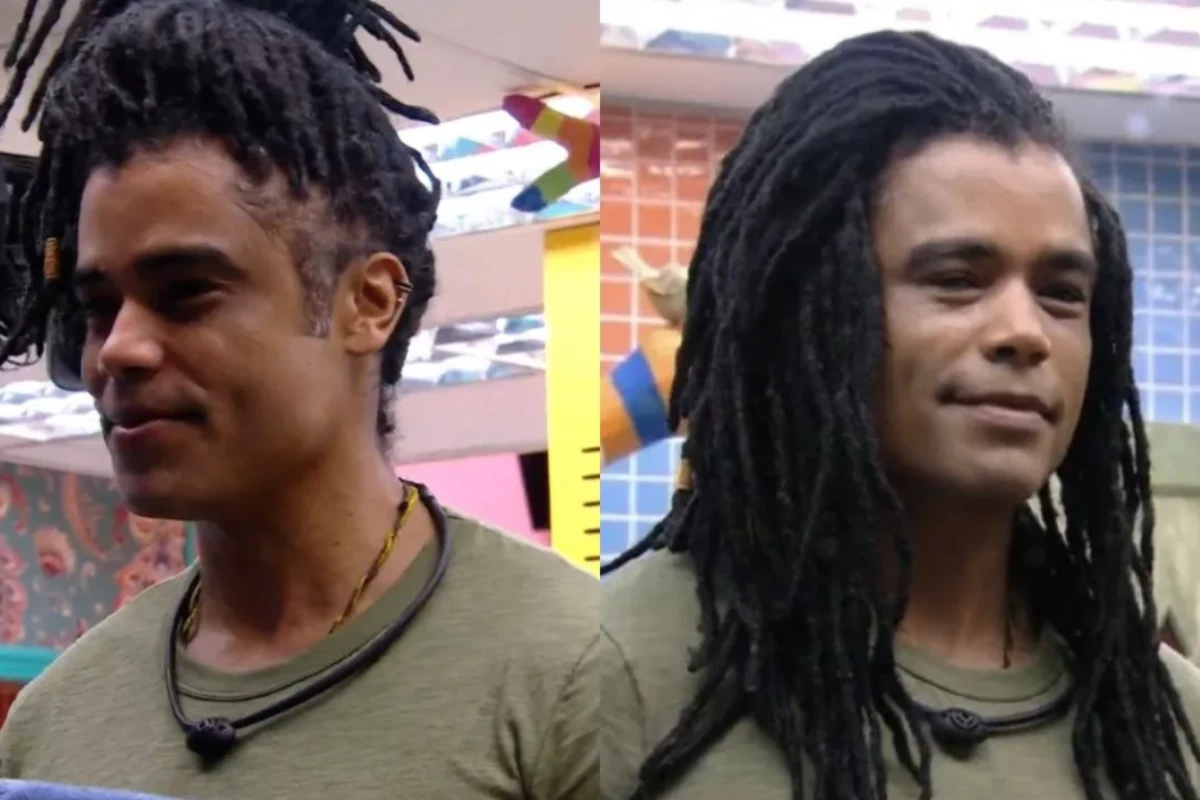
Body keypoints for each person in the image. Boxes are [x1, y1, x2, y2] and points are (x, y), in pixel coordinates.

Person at [0, 1, 596, 798]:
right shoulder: (53, 723)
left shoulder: (580, 675)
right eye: (100, 306)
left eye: (187, 292)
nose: (117, 349)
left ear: (368, 303)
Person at [599, 30, 1200, 800]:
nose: (1025, 332)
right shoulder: (606, 679)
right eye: (957, 279)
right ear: (811, 309)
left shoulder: (1168, 724)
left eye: (1061, 294)